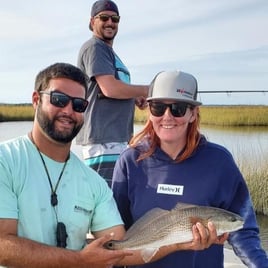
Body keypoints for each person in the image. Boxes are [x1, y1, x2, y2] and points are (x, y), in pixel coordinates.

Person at [0, 63, 223, 268]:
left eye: (79, 104)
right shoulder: (6, 160)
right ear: (36, 100)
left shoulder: (94, 183)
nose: (68, 111)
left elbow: (121, 248)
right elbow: (2, 245)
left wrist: (182, 241)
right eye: (58, 99)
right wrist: (79, 260)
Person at [111, 70, 268, 268]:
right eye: (158, 108)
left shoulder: (220, 161)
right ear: (149, 112)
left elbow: (243, 230)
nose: (167, 116)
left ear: (193, 114)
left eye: (178, 108)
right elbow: (115, 231)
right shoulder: (129, 161)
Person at [76, 0, 149, 186]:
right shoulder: (95, 47)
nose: (110, 22)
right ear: (93, 21)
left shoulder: (109, 52)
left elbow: (110, 88)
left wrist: (134, 97)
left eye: (115, 19)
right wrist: (147, 90)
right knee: (105, 200)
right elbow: (109, 88)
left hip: (117, 139)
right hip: (103, 140)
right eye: (104, 18)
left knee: (115, 200)